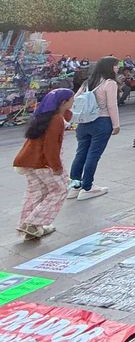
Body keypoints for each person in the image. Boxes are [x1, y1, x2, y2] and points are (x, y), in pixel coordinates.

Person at [13, 88, 74, 239]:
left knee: (35, 193)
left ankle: (26, 228)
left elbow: (67, 118)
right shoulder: (55, 120)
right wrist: (56, 167)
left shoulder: (45, 115)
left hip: (27, 160)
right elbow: (51, 146)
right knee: (60, 189)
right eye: (71, 99)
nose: (74, 101)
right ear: (63, 102)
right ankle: (33, 223)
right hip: (42, 162)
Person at [68, 56, 120, 200]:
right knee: (93, 155)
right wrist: (116, 124)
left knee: (81, 153)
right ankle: (87, 187)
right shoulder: (110, 83)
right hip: (102, 121)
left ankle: (75, 186)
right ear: (110, 67)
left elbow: (75, 100)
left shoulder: (88, 82)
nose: (117, 68)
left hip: (83, 123)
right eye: (116, 65)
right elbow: (112, 105)